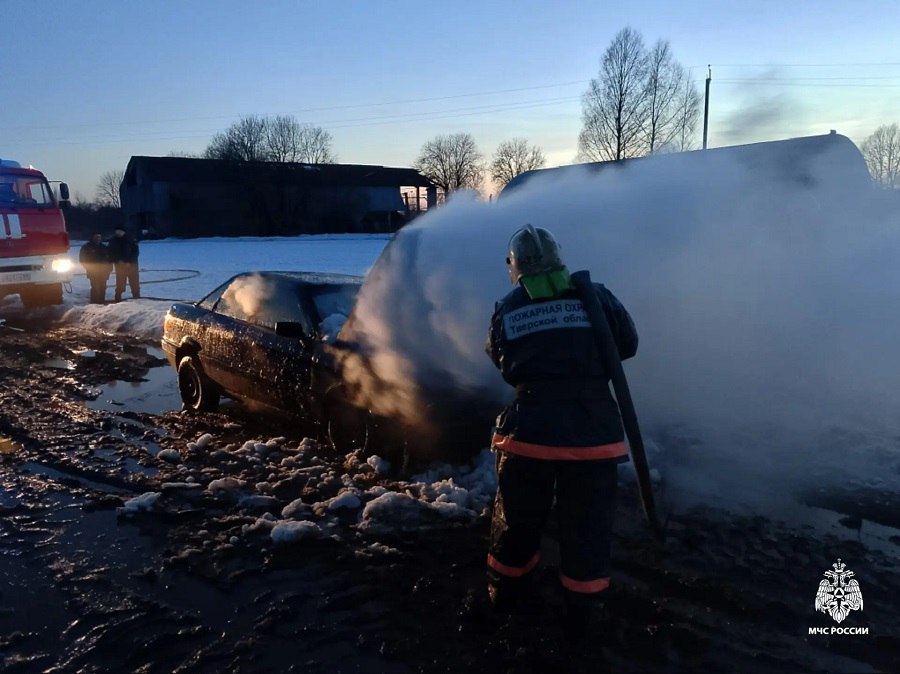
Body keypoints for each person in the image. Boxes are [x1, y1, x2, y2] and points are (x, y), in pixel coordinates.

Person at [484, 224, 638, 640]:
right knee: (587, 529)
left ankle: (506, 597)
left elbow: (500, 358)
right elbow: (627, 345)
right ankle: (582, 614)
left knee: (517, 522)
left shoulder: (510, 306)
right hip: (593, 438)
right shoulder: (597, 297)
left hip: (529, 435)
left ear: (515, 267)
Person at [107, 227, 140, 301]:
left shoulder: (130, 239)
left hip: (132, 265)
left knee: (134, 282)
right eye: (117, 232)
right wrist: (118, 260)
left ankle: (137, 297)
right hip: (119, 265)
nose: (118, 233)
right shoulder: (113, 241)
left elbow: (135, 252)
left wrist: (129, 261)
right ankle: (118, 298)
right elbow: (110, 253)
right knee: (120, 283)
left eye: (120, 232)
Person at [78, 233, 112, 304]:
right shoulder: (86, 247)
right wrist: (89, 268)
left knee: (103, 287)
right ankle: (94, 303)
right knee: (95, 287)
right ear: (92, 237)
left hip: (104, 271)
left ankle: (101, 302)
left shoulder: (104, 247)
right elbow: (82, 260)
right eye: (96, 237)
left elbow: (109, 259)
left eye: (99, 237)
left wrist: (109, 268)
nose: (98, 238)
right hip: (93, 272)